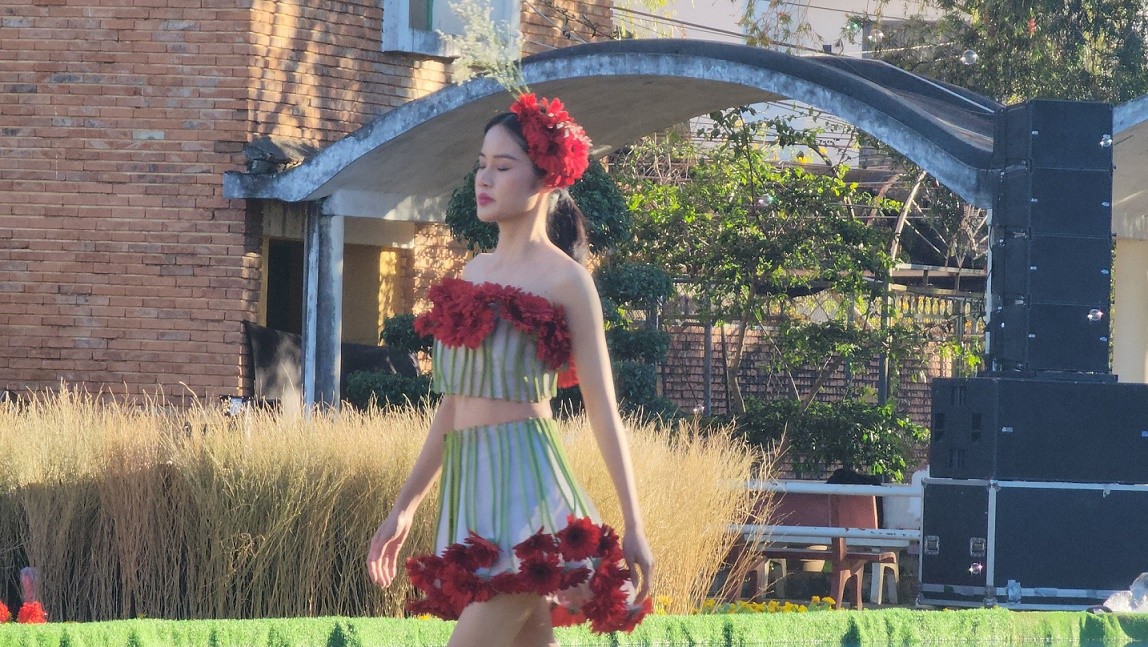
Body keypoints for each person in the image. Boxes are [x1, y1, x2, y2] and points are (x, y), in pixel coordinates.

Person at [366, 93, 654, 646]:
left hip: (531, 504)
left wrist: (634, 524)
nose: (484, 178)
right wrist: (404, 507)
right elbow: (454, 404)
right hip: (474, 500)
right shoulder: (473, 271)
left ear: (546, 177)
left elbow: (604, 411)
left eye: (503, 166)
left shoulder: (568, 282)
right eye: (481, 164)